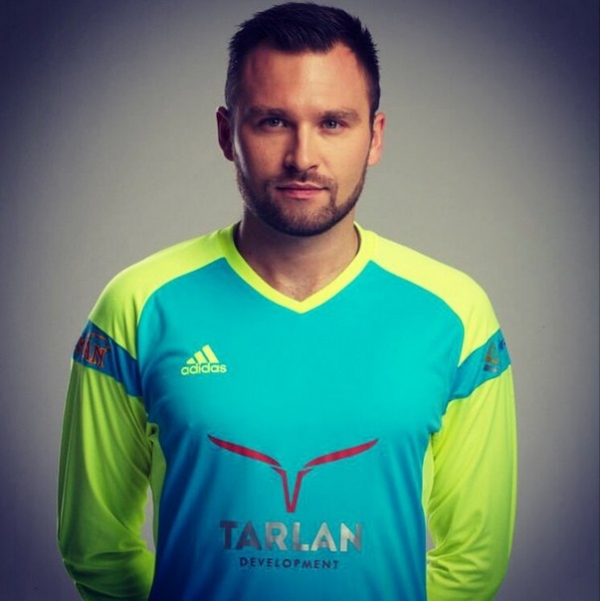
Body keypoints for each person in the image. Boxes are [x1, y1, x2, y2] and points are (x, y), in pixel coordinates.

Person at [58, 3, 517, 600]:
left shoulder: (455, 313)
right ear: (227, 133)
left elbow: (476, 560)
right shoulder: (138, 305)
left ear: (374, 136)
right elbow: (95, 549)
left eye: (333, 123)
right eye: (273, 121)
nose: (303, 157)